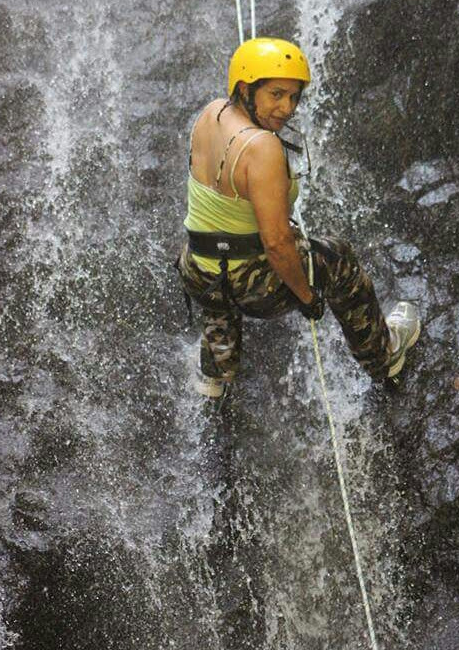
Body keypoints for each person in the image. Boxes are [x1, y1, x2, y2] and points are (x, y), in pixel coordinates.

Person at [176, 37, 420, 397]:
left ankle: (216, 374)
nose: (286, 108)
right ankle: (385, 356)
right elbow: (276, 245)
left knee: (220, 273)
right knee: (338, 260)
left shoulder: (211, 113)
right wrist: (306, 297)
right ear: (246, 89)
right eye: (276, 94)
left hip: (197, 271)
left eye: (293, 96)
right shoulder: (262, 147)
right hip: (250, 285)